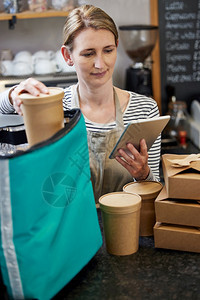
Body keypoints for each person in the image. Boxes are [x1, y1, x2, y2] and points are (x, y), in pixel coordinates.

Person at [0, 4, 161, 202]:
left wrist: (144, 174)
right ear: (68, 56)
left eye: (108, 50)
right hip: (68, 229)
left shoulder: (145, 110)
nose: (100, 64)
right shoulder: (53, 107)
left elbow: (157, 194)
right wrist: (13, 94)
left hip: (126, 229)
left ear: (116, 47)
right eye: (88, 53)